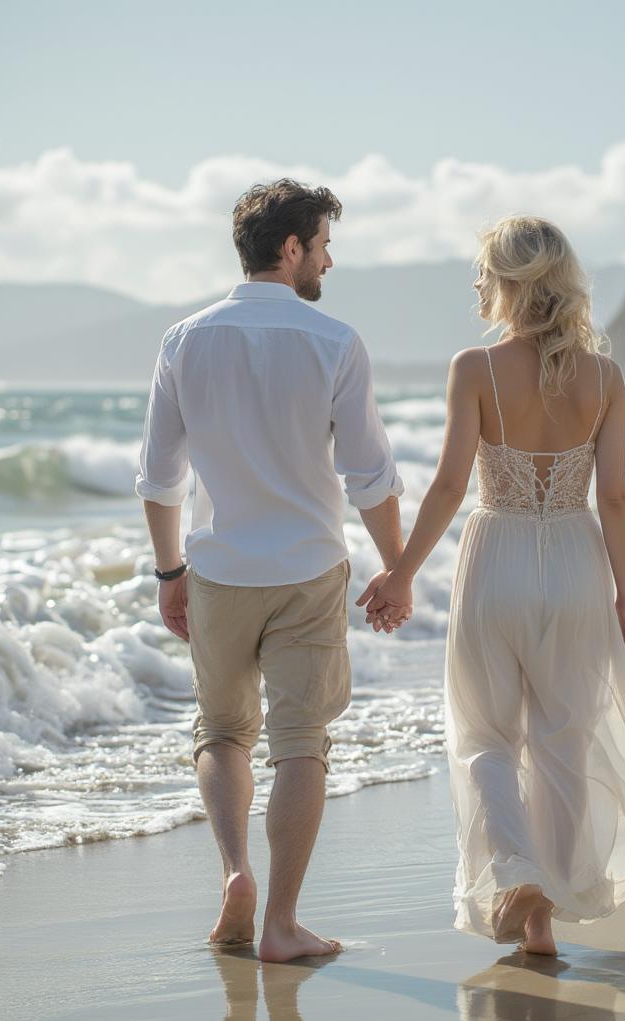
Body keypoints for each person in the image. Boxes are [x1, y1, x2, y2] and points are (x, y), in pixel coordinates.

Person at [360, 216, 625, 954]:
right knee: (563, 741)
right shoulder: (607, 378)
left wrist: (401, 572)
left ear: (508, 283)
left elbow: (452, 483)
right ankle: (543, 910)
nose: (477, 286)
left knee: (485, 734)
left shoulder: (474, 369)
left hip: (497, 563)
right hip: (579, 565)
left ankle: (517, 873)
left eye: (483, 273)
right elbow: (613, 496)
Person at [136, 178, 405, 962]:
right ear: (291, 250)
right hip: (308, 569)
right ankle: (282, 924)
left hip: (219, 571)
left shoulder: (183, 339)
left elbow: (159, 477)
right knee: (300, 742)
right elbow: (371, 479)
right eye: (323, 244)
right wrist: (397, 570)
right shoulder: (335, 342)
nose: (329, 259)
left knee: (221, 732)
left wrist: (168, 573)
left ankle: (235, 876)